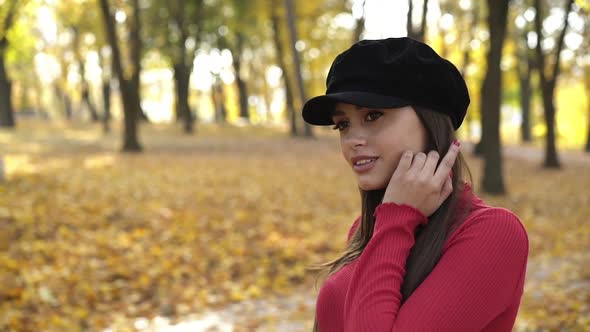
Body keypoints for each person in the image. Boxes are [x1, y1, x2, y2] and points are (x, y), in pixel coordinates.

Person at [302, 37, 529, 331]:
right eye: (343, 124)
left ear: (429, 121)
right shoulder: (368, 228)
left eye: (373, 115)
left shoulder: (494, 233)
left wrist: (397, 217)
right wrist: (393, 220)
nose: (352, 140)